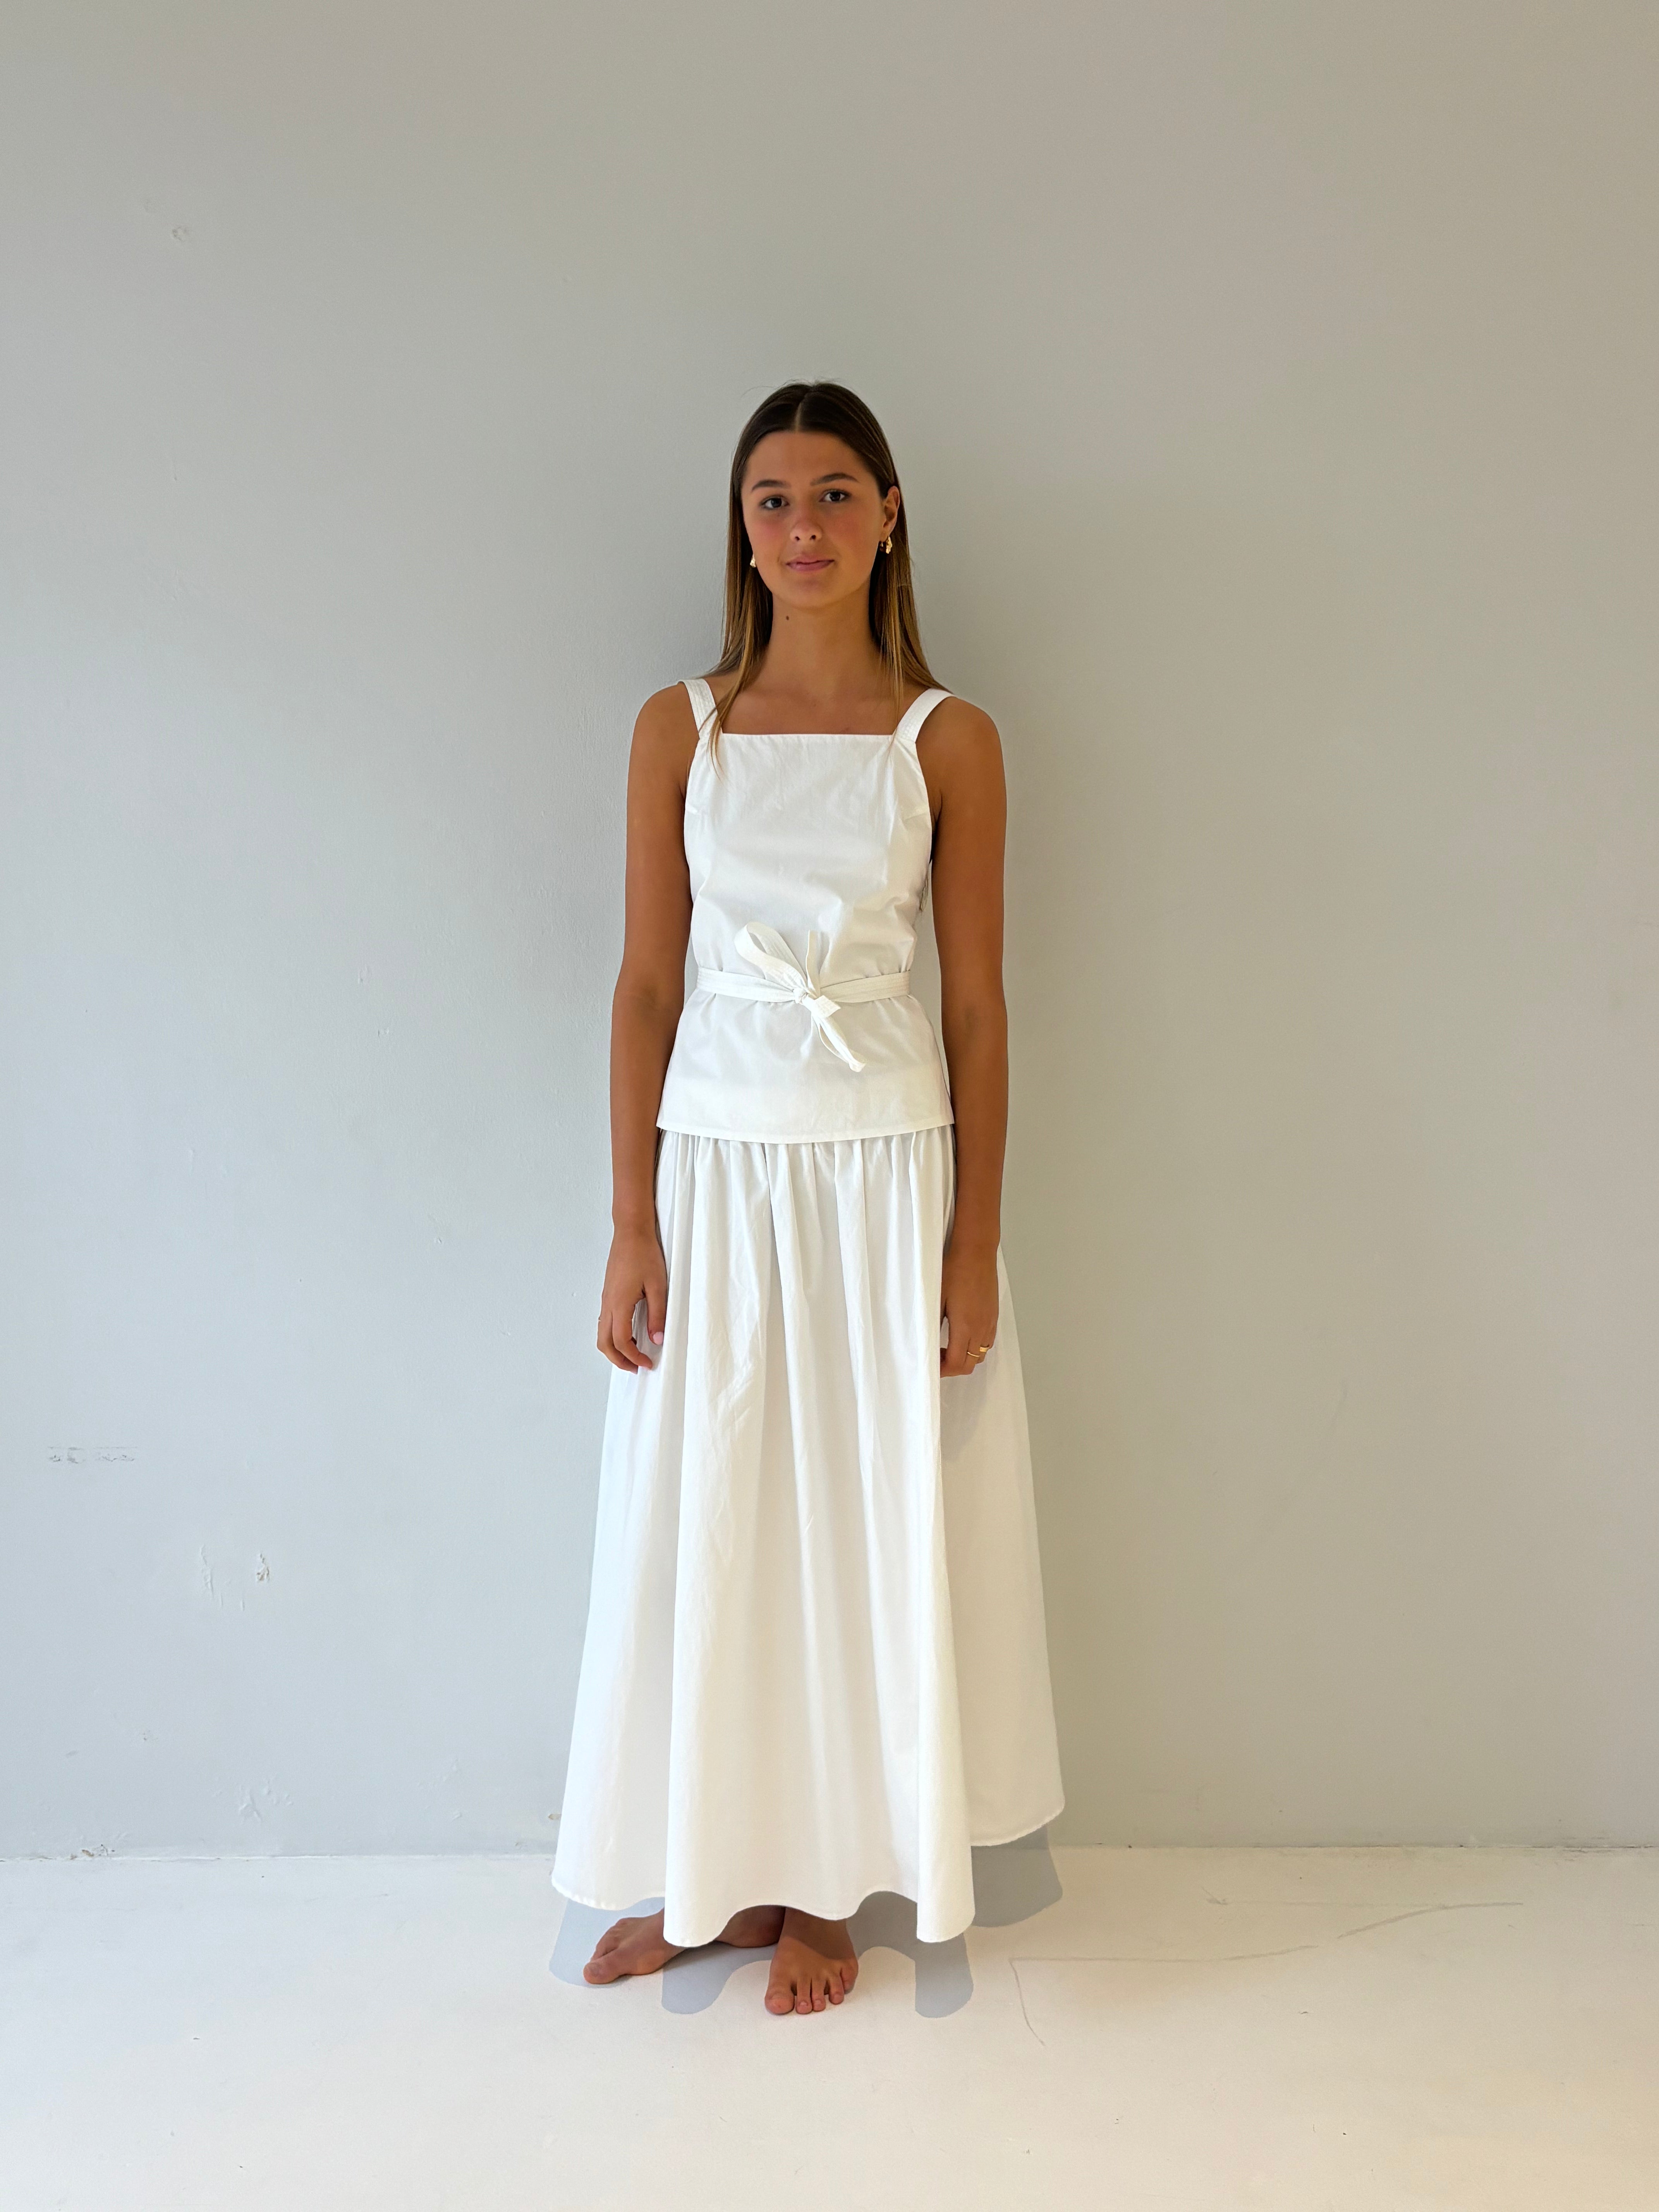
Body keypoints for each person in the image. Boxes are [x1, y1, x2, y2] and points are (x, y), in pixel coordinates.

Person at [551, 380, 1063, 2017]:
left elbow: (975, 1004)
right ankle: (721, 1877)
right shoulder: (680, 730)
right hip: (715, 1171)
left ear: (890, 517)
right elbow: (646, 983)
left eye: (836, 493)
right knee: (713, 1516)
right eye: (771, 500)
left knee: (857, 1517)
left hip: (884, 1172)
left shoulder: (948, 739)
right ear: (743, 530)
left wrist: (974, 1240)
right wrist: (631, 1220)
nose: (804, 527)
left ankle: (829, 1886)